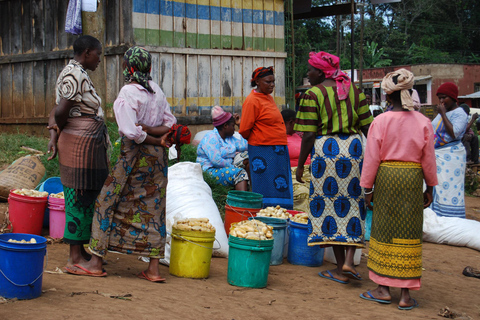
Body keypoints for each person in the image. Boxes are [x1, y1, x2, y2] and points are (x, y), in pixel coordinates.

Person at [65, 46, 177, 281]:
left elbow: (130, 131)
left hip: (133, 156)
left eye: (125, 64)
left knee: (107, 201)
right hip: (157, 158)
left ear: (129, 67)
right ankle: (153, 269)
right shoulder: (156, 91)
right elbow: (170, 122)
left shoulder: (128, 93)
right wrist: (156, 135)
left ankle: (95, 262)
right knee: (153, 206)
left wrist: (145, 133)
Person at [359, 69, 438, 310]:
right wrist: (430, 188)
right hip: (412, 180)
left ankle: (383, 289)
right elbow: (429, 159)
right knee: (409, 231)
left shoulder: (380, 122)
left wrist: (367, 189)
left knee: (384, 229)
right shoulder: (424, 122)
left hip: (387, 179)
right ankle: (405, 295)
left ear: (387, 96)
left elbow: (372, 158)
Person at [294, 51, 373, 284]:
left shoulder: (312, 94)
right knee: (353, 203)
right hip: (354, 151)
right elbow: (370, 128)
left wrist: (300, 165)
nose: (308, 75)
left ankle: (341, 267)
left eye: (310, 70)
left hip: (327, 152)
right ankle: (347, 262)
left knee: (330, 208)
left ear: (320, 72)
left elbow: (308, 136)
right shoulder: (355, 92)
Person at [46, 35, 109, 269]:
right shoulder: (73, 74)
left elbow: (59, 109)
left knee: (85, 196)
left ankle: (79, 252)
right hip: (79, 145)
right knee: (78, 196)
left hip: (85, 144)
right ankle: (74, 259)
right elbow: (60, 110)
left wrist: (55, 132)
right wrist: (56, 131)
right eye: (98, 54)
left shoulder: (79, 73)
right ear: (87, 52)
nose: (99, 60)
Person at [239, 67, 293, 209]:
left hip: (277, 149)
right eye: (268, 82)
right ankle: (265, 213)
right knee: (265, 183)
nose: (272, 85)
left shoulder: (267, 97)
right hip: (263, 150)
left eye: (273, 82)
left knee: (280, 184)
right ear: (257, 81)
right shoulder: (252, 101)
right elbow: (244, 129)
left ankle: (280, 212)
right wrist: (261, 137)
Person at [430, 82, 468, 218]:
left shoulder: (460, 114)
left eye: (444, 97)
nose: (441, 101)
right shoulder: (442, 113)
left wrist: (443, 114)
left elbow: (454, 133)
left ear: (453, 97)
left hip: (452, 157)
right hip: (439, 155)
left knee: (449, 188)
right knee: (438, 187)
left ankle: (451, 218)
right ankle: (437, 218)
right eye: (439, 98)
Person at [196, 106, 249, 191]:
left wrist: (240, 125)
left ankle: (251, 192)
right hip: (210, 171)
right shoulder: (211, 137)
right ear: (225, 126)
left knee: (248, 157)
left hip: (225, 168)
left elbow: (245, 146)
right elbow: (216, 161)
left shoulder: (230, 139)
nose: (234, 129)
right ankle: (242, 203)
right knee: (240, 173)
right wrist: (233, 166)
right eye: (233, 126)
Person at [281, 109, 311, 213]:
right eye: (296, 122)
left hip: (308, 173)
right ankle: (301, 221)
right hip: (292, 175)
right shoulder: (279, 138)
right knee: (304, 193)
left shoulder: (297, 135)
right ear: (291, 122)